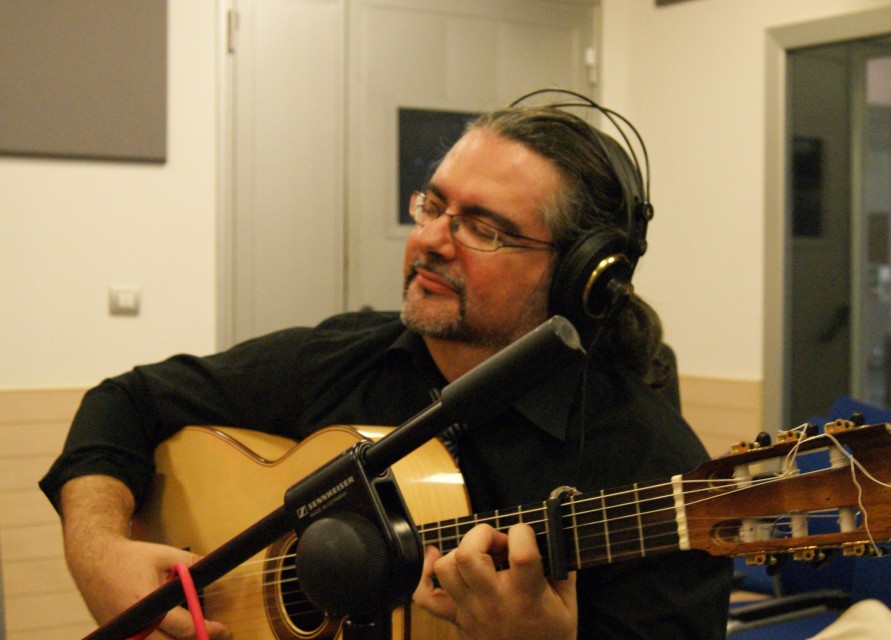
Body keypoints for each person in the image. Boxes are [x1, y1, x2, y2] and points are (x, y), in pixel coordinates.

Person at [41, 92, 733, 639]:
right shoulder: (345, 358)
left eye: (482, 228)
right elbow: (124, 402)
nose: (430, 240)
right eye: (433, 205)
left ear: (580, 275)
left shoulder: (660, 474)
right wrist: (100, 553)